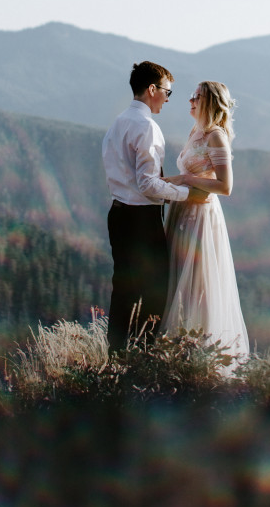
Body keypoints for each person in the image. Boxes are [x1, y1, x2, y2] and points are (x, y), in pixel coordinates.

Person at [101, 61, 208, 352]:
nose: (169, 99)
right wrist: (187, 193)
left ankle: (116, 354)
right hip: (141, 219)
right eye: (167, 92)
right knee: (155, 291)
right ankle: (142, 355)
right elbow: (148, 184)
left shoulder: (118, 122)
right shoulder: (147, 127)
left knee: (123, 289)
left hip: (118, 213)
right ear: (152, 90)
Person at [162, 80, 249, 365]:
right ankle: (176, 352)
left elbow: (225, 186)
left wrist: (185, 180)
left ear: (210, 102)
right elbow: (185, 175)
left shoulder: (216, 136)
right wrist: (163, 185)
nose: (189, 101)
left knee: (198, 284)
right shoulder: (195, 132)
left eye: (195, 97)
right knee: (178, 283)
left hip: (201, 218)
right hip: (182, 212)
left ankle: (202, 357)